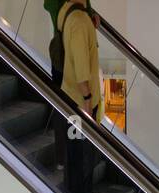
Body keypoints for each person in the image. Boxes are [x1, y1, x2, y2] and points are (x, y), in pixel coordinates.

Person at [58, 0, 104, 193]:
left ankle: (85, 192)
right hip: (78, 99)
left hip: (83, 98)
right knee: (76, 149)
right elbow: (80, 64)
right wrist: (86, 98)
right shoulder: (77, 20)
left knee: (86, 148)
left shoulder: (79, 14)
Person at [45, 0, 96, 167]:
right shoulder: (73, 18)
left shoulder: (77, 15)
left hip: (72, 53)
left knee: (73, 117)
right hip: (65, 58)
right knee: (67, 111)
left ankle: (71, 162)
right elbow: (50, 6)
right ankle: (64, 159)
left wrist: (89, 15)